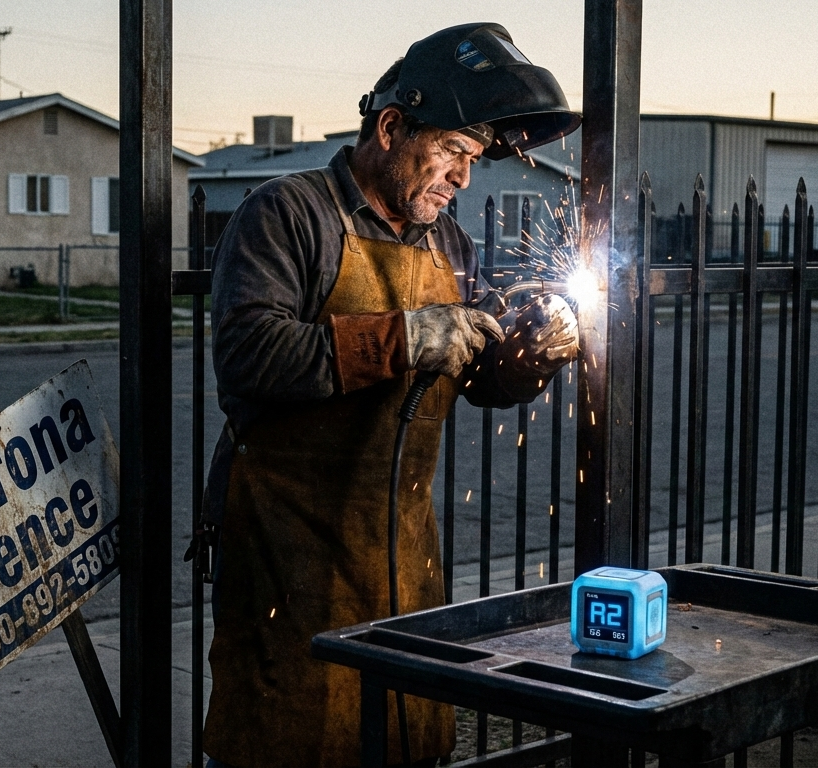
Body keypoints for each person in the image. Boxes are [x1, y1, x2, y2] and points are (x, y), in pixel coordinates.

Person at [198, 22, 582, 767]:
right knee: (288, 743)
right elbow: (247, 355)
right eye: (453, 151)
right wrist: (403, 339)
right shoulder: (289, 214)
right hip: (287, 554)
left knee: (406, 737)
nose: (463, 177)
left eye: (473, 159)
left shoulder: (449, 243)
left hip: (403, 554)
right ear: (391, 128)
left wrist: (531, 355)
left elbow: (479, 378)